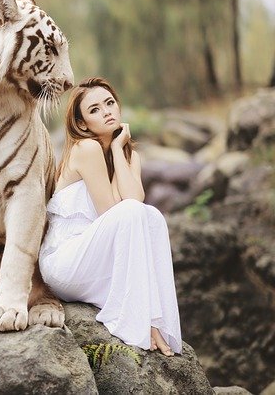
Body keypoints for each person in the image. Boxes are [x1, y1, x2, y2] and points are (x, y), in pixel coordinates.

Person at [39, 77, 182, 356]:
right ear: (82, 124)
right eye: (94, 110)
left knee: (152, 216)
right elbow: (114, 211)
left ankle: (151, 320)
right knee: (133, 213)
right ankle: (144, 322)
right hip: (65, 262)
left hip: (98, 260)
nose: (106, 112)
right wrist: (115, 151)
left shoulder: (129, 156)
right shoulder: (85, 149)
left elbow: (134, 203)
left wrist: (118, 150)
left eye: (109, 103)